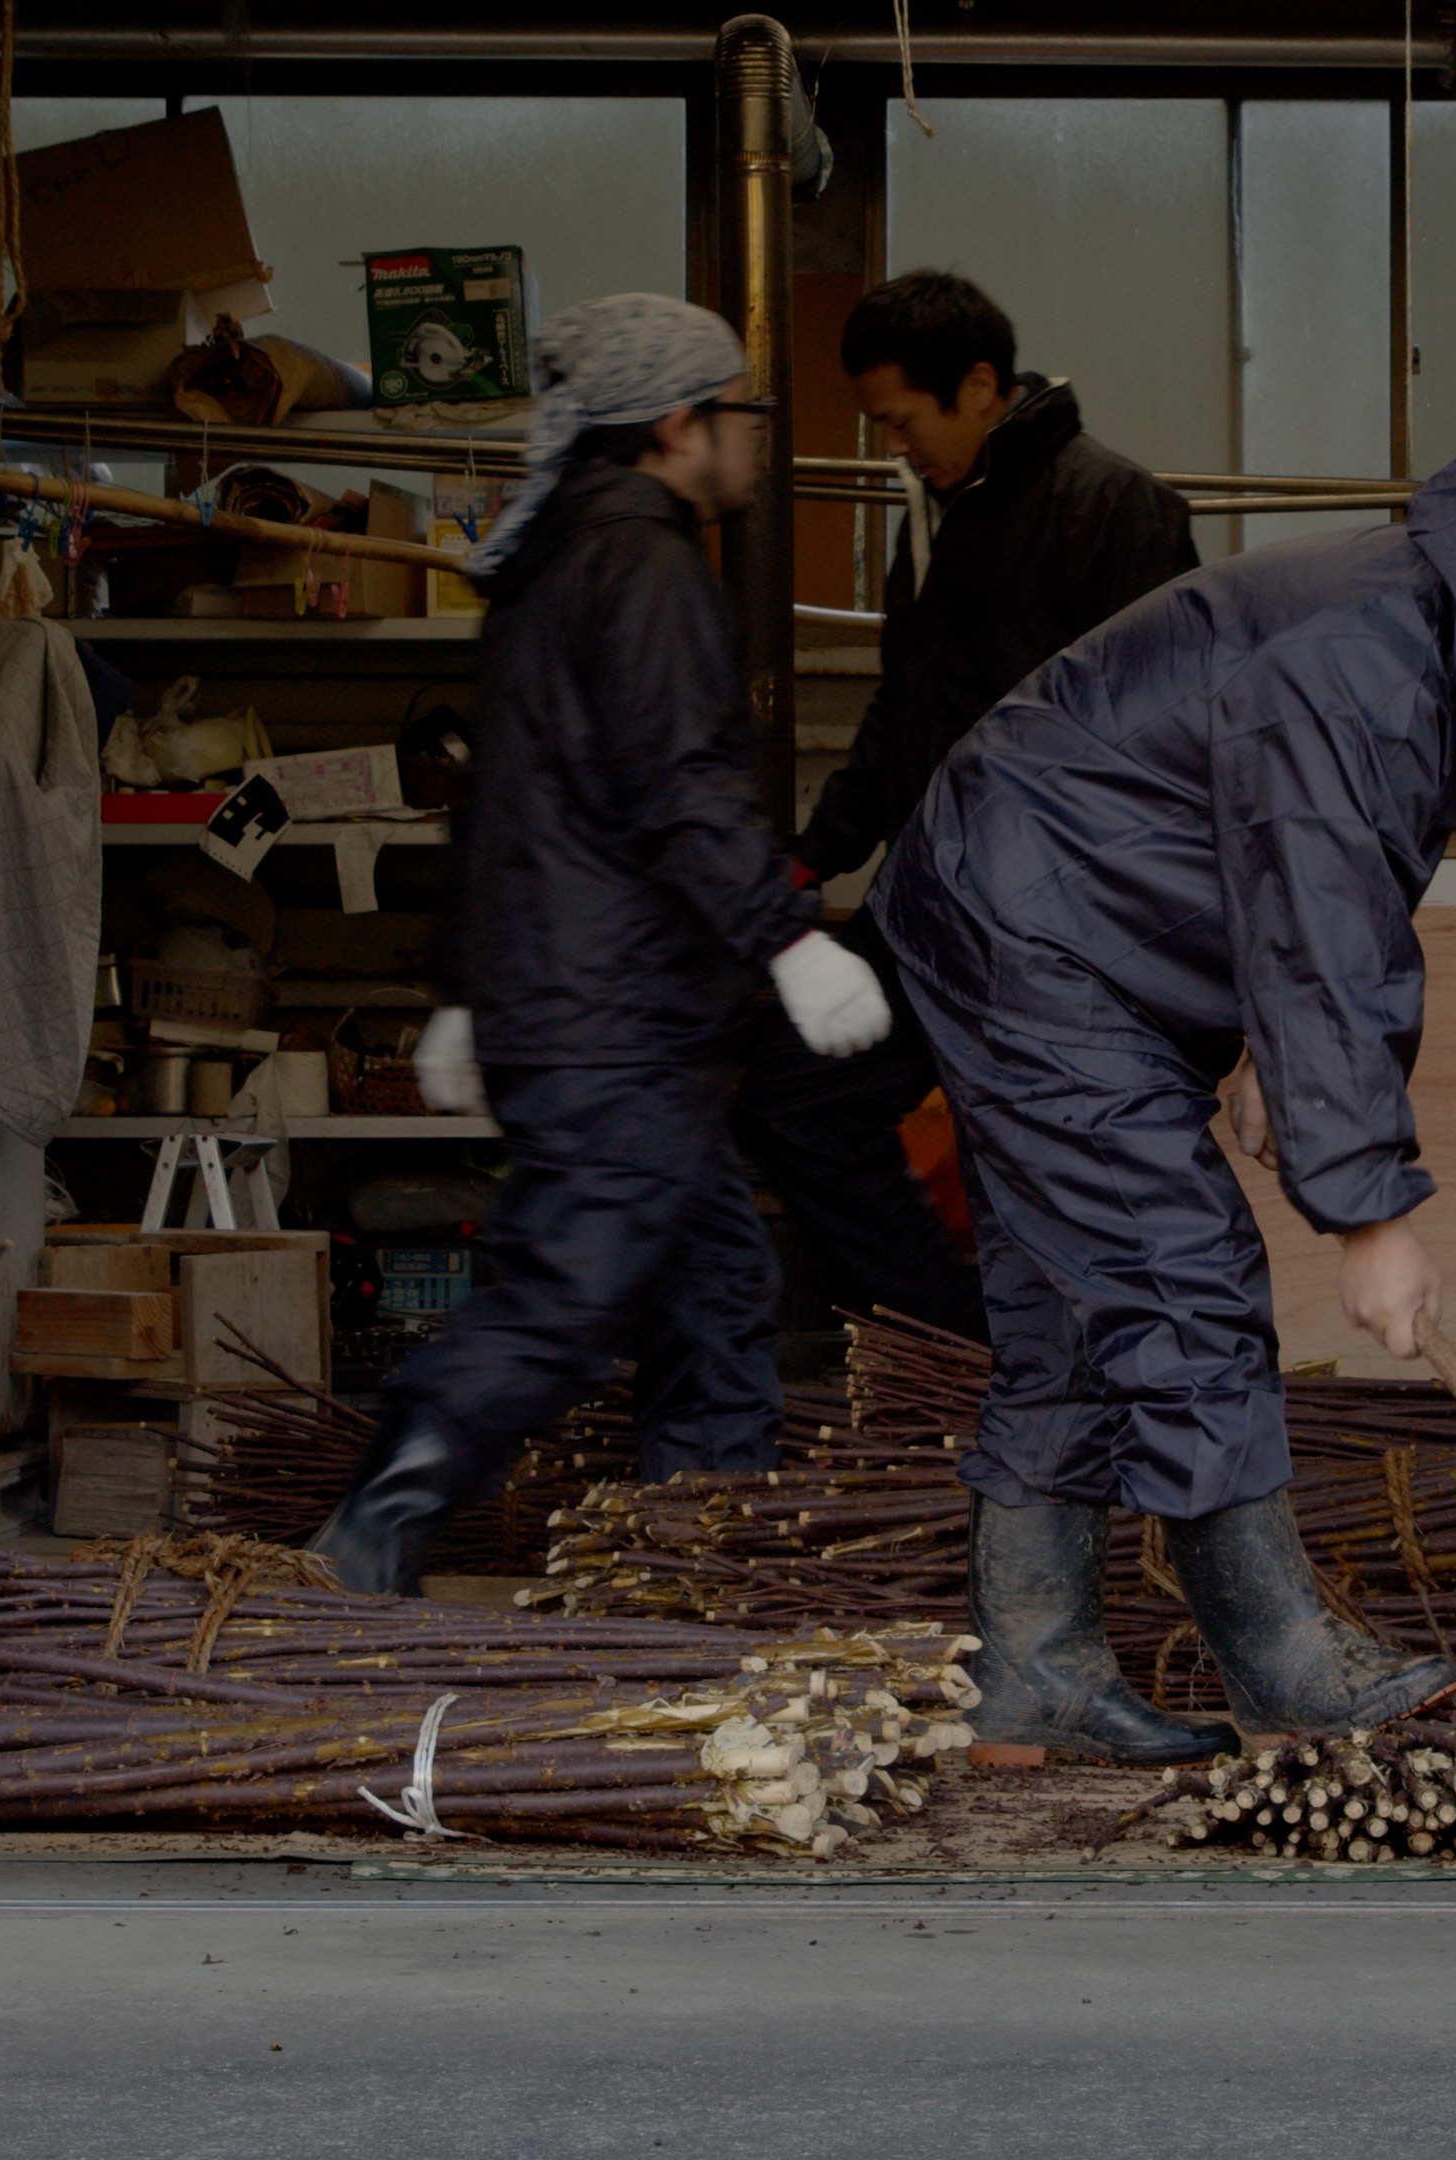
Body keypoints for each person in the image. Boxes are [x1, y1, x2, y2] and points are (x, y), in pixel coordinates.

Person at [869, 460, 1456, 1763]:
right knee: (1179, 1271)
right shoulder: (1373, 657)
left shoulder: (1424, 643)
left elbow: (1315, 882)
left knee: (1080, 1305)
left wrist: (1275, 1057)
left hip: (1071, 919)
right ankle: (1283, 1666)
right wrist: (1367, 1207)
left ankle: (1033, 1677)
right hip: (1034, 928)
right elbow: (1327, 923)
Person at [311, 295, 893, 1597]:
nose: (755, 437)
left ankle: (693, 1558)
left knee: (715, 1282)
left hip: (591, 1010)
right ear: (679, 424)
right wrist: (791, 939)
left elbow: (503, 796)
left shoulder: (553, 565)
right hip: (611, 1019)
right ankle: (374, 1527)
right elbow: (678, 784)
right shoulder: (642, 564)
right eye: (741, 411)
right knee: (563, 1296)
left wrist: (464, 989)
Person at [736, 271, 1198, 1341]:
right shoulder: (933, 523)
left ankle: (1031, 1381)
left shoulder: (1113, 508)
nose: (892, 444)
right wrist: (816, 856)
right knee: (794, 1100)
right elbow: (906, 714)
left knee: (1021, 1167)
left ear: (981, 385)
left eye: (901, 419)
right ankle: (946, 1338)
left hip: (1050, 928)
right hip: (931, 901)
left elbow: (1176, 733)